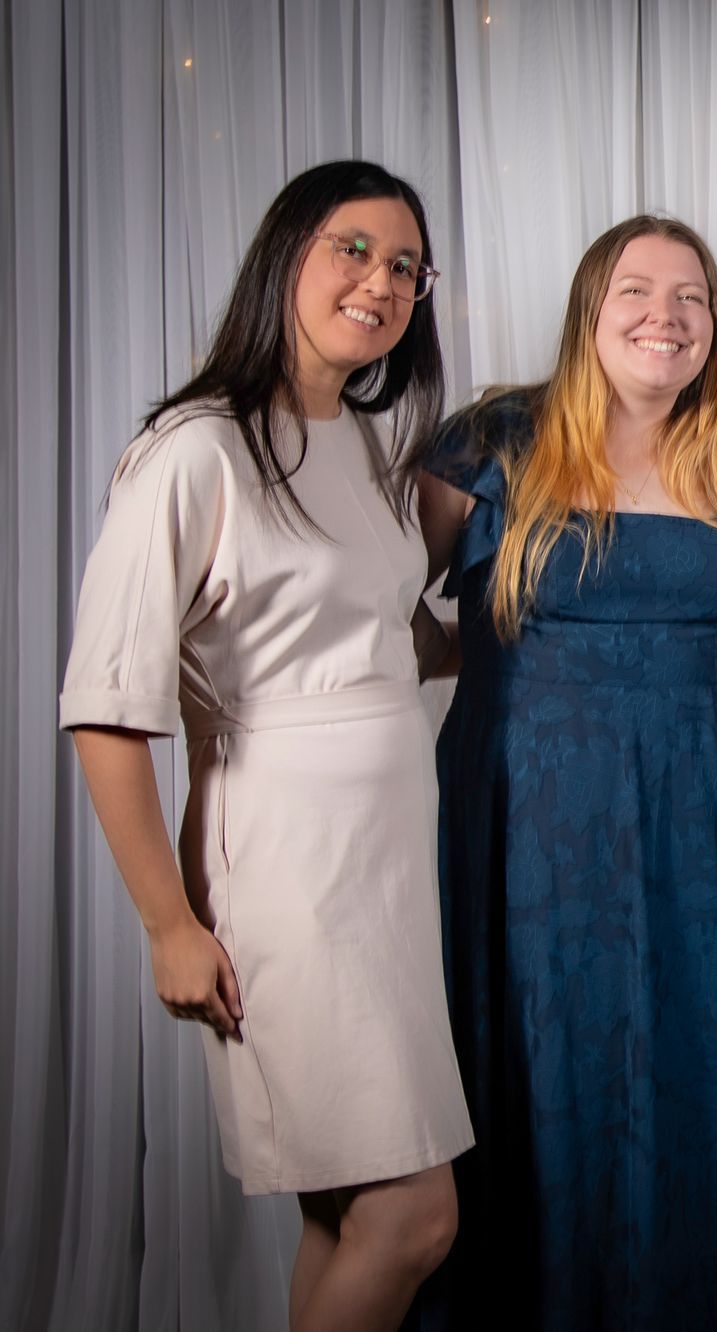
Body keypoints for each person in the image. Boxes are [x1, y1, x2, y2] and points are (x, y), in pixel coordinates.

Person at [61, 160, 472, 1331]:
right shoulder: (195, 450)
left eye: (405, 266)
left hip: (388, 870)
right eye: (352, 249)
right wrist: (169, 927)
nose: (380, 282)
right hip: (286, 869)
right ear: (286, 252)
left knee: (343, 1215)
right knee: (414, 1219)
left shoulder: (363, 443)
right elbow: (105, 706)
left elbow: (391, 642)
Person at [408, 215, 717, 1329]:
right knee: (548, 1087)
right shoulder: (495, 437)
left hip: (704, 837)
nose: (665, 314)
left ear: (715, 329)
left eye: (691, 296)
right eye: (636, 290)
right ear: (590, 312)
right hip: (530, 834)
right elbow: (375, 611)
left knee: (691, 1085)